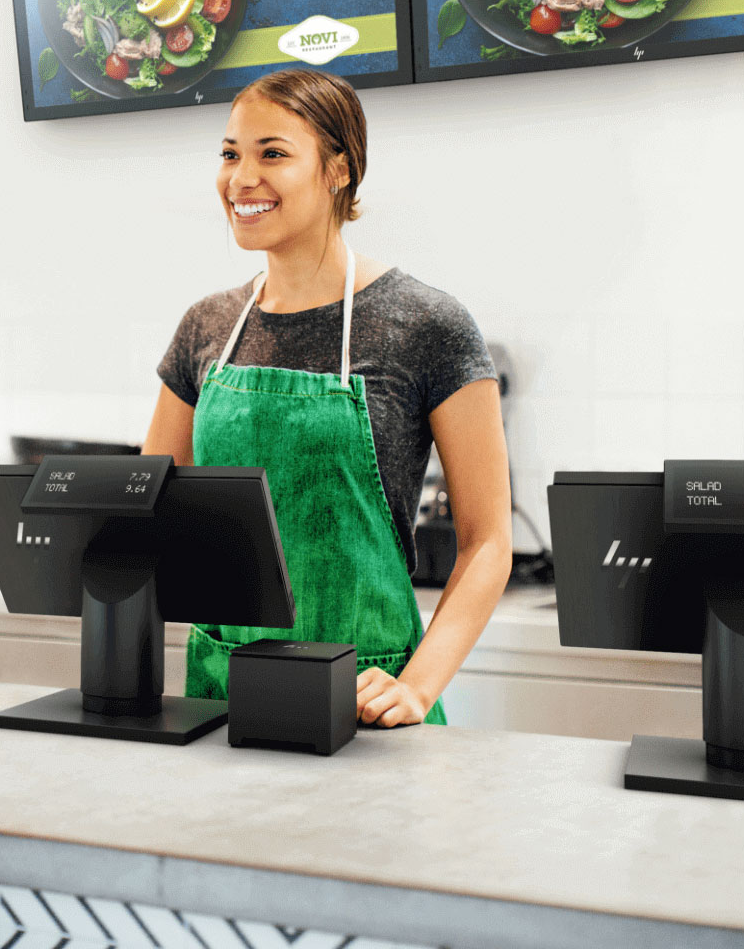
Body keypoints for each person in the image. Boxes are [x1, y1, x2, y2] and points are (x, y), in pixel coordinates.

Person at [143, 69, 511, 727]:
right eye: (230, 154)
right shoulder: (207, 326)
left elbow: (487, 542)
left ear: (339, 169)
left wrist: (416, 687)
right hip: (222, 693)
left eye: (272, 154)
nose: (241, 178)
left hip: (367, 702)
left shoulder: (427, 325)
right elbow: (151, 506)